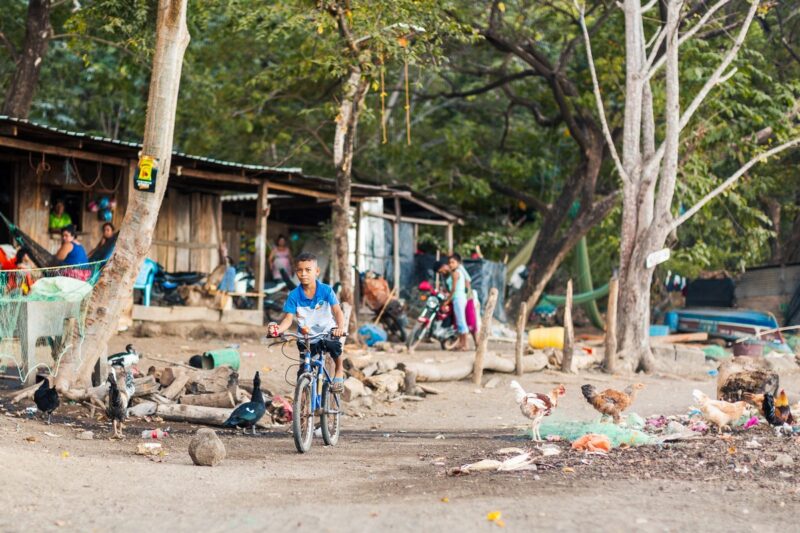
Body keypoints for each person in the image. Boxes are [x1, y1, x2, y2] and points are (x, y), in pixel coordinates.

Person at [267, 252, 346, 392]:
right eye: (299, 270)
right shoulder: (293, 295)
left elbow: (338, 312)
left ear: (316, 271)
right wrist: (278, 330)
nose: (303, 274)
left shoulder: (326, 290)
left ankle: (339, 370)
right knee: (303, 372)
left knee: (334, 346)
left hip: (327, 331)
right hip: (306, 336)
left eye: (308, 270)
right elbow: (287, 319)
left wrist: (340, 327)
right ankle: (302, 405)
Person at [447, 253, 473, 351]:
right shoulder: (458, 272)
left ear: (458, 263)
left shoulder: (456, 273)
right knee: (459, 321)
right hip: (459, 298)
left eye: (453, 262)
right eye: (449, 262)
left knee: (461, 321)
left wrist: (447, 300)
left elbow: (453, 289)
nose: (450, 264)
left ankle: (465, 344)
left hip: (458, 298)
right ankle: (461, 343)